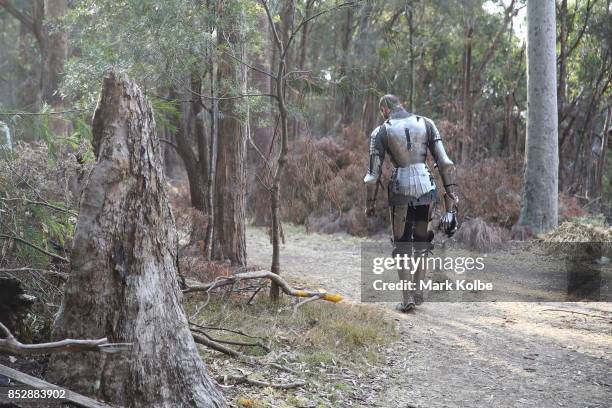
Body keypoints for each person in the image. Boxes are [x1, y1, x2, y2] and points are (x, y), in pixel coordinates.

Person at [364, 94, 459, 312]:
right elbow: (445, 163)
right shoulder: (427, 123)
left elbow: (372, 176)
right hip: (427, 187)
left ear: (384, 110)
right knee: (422, 242)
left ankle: (407, 298)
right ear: (400, 105)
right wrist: (452, 202)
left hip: (400, 188)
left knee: (402, 245)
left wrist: (369, 204)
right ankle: (417, 292)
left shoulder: (380, 131)